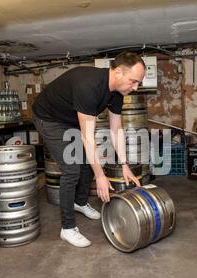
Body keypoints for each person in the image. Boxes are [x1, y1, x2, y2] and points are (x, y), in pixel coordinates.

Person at [32, 52, 146, 248]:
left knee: (87, 162)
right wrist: (100, 176)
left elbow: (116, 129)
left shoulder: (117, 92)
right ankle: (67, 228)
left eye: (138, 83)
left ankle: (80, 202)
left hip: (69, 120)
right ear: (118, 72)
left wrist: (124, 164)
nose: (135, 88)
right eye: (133, 81)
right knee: (72, 169)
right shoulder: (89, 86)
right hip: (49, 119)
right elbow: (87, 137)